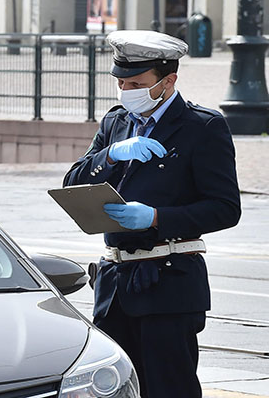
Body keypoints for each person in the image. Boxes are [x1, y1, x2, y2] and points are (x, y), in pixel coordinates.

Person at [62, 30, 241, 397]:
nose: (127, 90)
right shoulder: (116, 123)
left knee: (167, 387)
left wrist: (157, 217)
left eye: (137, 83)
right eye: (122, 82)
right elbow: (73, 181)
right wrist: (111, 155)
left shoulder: (202, 127)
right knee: (112, 388)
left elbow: (225, 208)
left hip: (168, 280)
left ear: (168, 80)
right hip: (114, 282)